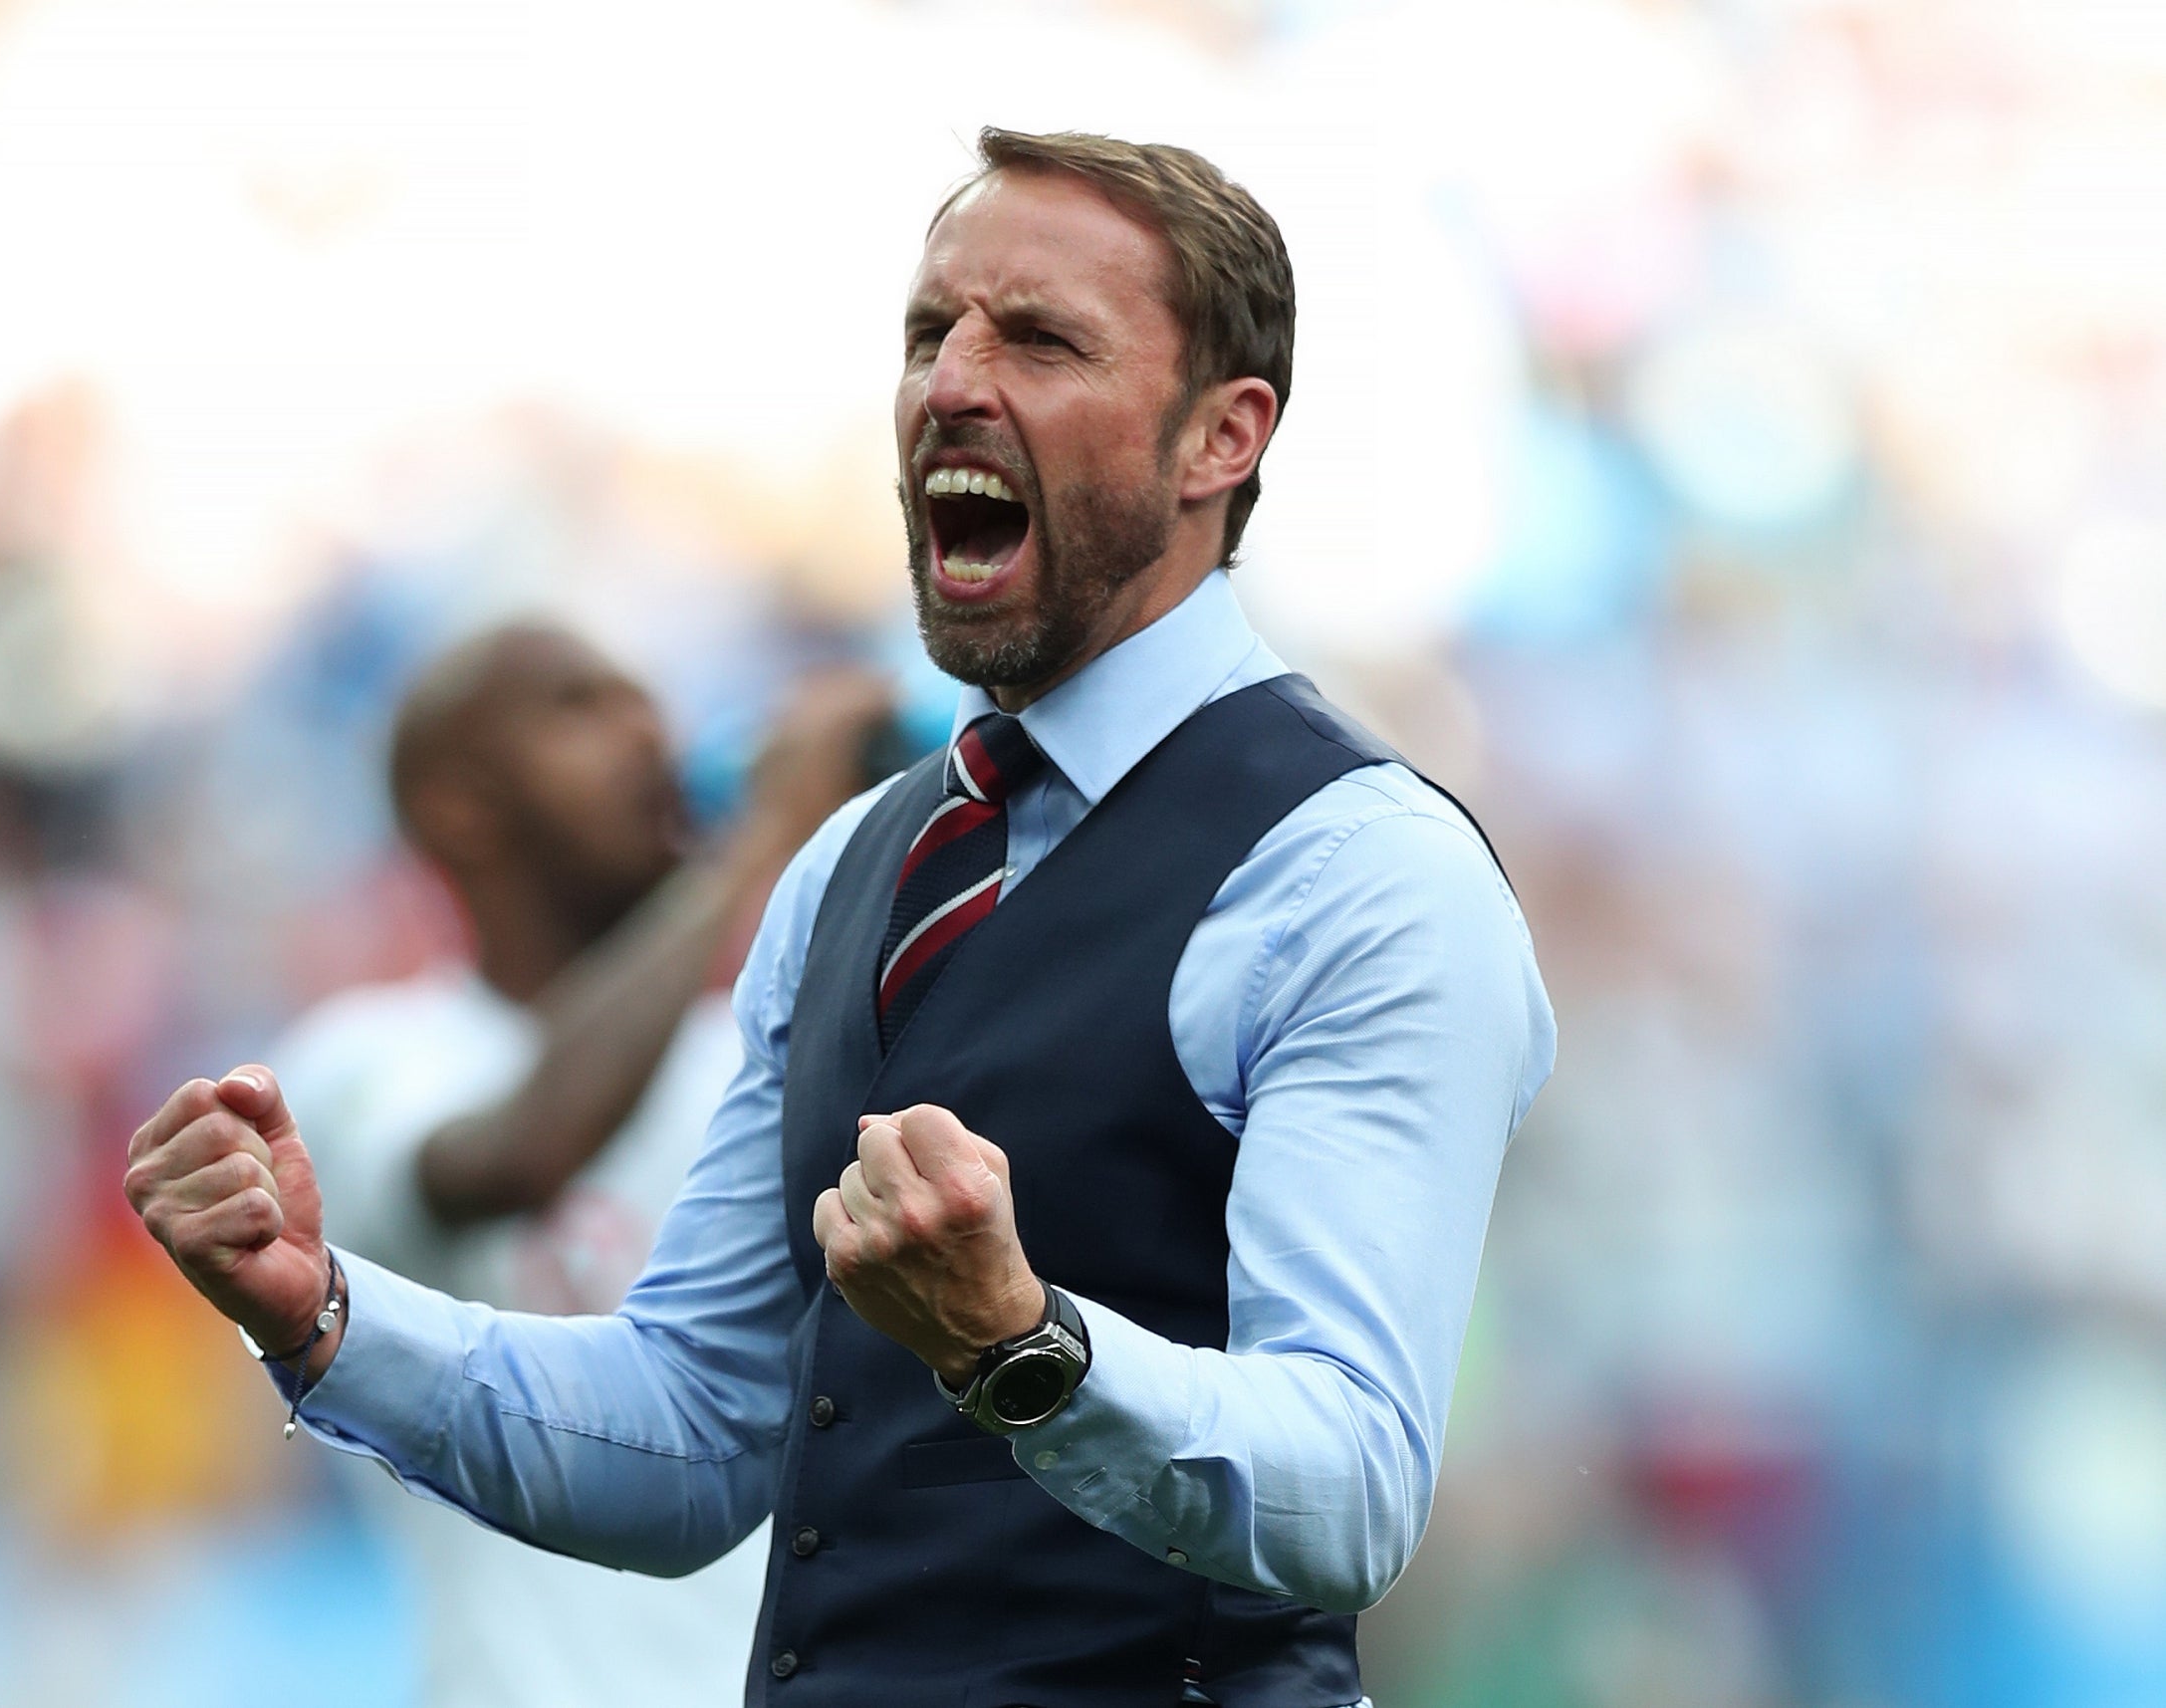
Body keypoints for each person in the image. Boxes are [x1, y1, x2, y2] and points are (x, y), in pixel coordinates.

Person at [127, 129, 1556, 1707]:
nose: (953, 381)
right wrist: (323, 1314)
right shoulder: (856, 866)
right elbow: (689, 1426)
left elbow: (1350, 1488)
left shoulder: (1357, 871)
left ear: (1221, 437)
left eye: (1041, 337)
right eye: (929, 331)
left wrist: (1022, 1339)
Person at [268, 623, 891, 1708]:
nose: (645, 732)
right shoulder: (361, 1062)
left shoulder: (770, 1059)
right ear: (455, 803)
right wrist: (758, 845)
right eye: (579, 707)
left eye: (645, 701)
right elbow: (518, 1152)